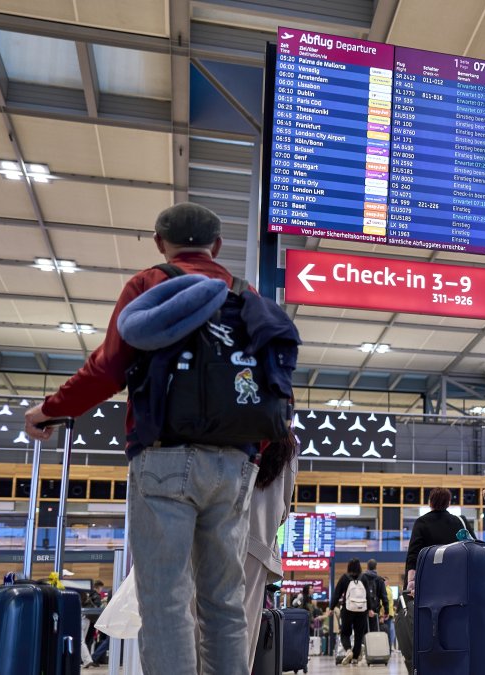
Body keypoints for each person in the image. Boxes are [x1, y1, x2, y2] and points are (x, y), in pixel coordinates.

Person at [24, 202, 299, 675]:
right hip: (235, 464)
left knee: (166, 598)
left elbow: (107, 368)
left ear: (159, 243)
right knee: (225, 602)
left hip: (163, 459)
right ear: (216, 246)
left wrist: (49, 411)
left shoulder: (148, 284)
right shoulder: (244, 293)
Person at [400, 487, 472, 673]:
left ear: (430, 502)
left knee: (428, 624)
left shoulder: (422, 522)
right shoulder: (459, 522)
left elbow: (413, 555)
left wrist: (411, 584)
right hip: (457, 583)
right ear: (449, 502)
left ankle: (429, 662)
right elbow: (472, 548)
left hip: (429, 584)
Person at [242, 436, 298, 670]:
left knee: (196, 627)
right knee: (243, 635)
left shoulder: (227, 418)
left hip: (211, 532)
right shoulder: (287, 444)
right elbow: (284, 509)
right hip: (256, 546)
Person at [332, 558, 376, 666]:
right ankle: (355, 657)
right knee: (359, 634)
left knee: (345, 633)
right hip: (362, 610)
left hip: (347, 609)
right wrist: (370, 609)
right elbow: (368, 596)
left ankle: (348, 651)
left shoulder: (344, 578)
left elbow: (337, 594)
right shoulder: (364, 578)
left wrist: (332, 607)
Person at [364, 559, 390, 630]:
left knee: (363, 633)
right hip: (375, 611)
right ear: (376, 567)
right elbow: (384, 597)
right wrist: (386, 611)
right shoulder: (379, 580)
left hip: (363, 610)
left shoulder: (362, 578)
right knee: (373, 632)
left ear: (367, 567)